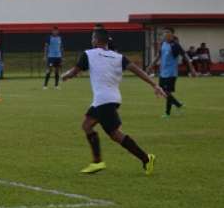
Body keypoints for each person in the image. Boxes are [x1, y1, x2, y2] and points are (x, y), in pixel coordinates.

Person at [62, 28, 163, 175]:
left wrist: (66, 75)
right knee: (87, 125)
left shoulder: (89, 54)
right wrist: (154, 84)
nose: (92, 40)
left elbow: (74, 71)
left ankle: (146, 158)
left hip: (104, 100)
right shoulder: (118, 57)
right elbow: (136, 70)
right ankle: (97, 162)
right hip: (109, 99)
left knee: (115, 134)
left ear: (95, 40)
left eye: (92, 38)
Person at [150, 28, 196, 117]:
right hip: (163, 72)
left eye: (167, 32)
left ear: (172, 34)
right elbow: (158, 56)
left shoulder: (175, 45)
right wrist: (151, 66)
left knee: (167, 92)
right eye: (164, 32)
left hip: (171, 72)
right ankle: (177, 105)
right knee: (163, 92)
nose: (165, 33)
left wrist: (192, 69)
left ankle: (169, 112)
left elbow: (185, 57)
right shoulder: (163, 44)